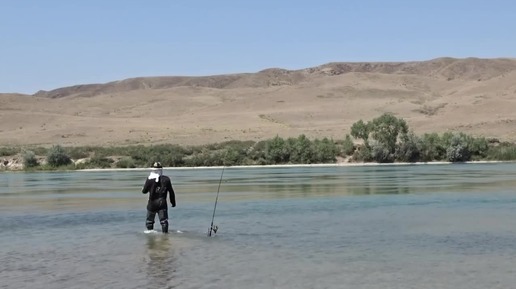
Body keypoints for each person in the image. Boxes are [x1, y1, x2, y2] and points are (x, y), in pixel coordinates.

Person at [142, 162, 176, 233]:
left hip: (152, 203)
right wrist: (173, 202)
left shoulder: (149, 179)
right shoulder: (166, 179)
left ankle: (150, 236)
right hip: (162, 203)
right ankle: (165, 236)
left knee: (149, 222)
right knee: (164, 221)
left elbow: (144, 191)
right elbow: (171, 192)